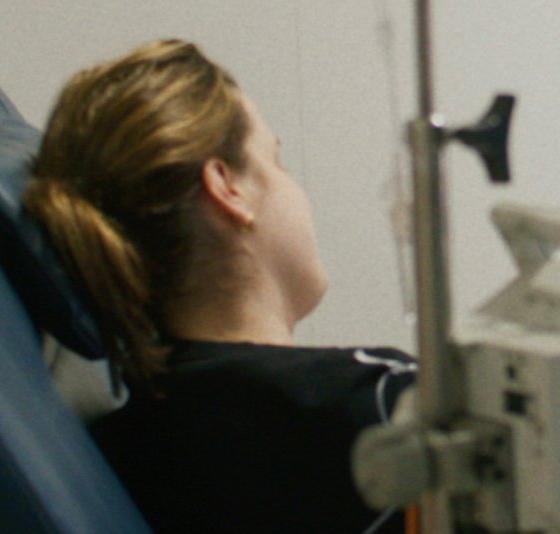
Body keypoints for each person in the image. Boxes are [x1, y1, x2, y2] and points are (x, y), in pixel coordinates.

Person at [23, 39, 416, 533]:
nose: (296, 187)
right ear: (228, 189)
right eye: (276, 161)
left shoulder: (116, 449)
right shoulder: (381, 410)